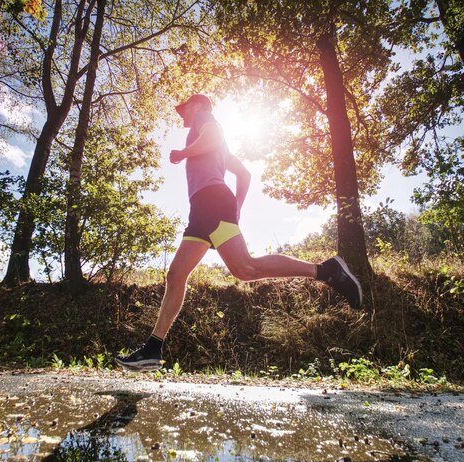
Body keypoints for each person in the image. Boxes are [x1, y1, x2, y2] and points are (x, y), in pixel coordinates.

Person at [115, 94, 362, 371]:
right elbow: (244, 175)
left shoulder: (204, 120)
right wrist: (238, 208)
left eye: (183, 109)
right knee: (176, 274)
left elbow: (210, 139)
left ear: (197, 106)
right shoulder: (220, 146)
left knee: (245, 268)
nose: (182, 116)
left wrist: (183, 153)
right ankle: (153, 349)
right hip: (203, 208)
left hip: (211, 201)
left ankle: (327, 271)